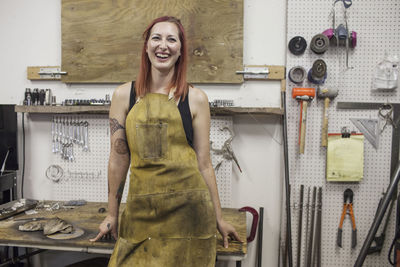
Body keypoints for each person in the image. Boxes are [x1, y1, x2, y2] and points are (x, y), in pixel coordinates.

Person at [90, 16, 241, 266]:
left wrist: (219, 218)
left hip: (189, 216)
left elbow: (204, 164)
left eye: (172, 39)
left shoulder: (196, 99)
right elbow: (118, 158)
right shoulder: (123, 96)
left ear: (180, 50)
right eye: (156, 38)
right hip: (141, 214)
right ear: (146, 46)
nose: (163, 45)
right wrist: (111, 214)